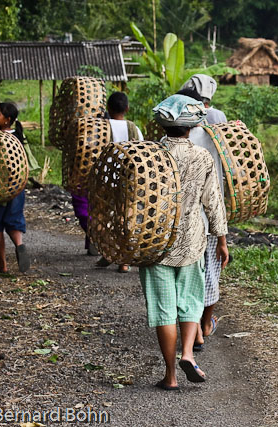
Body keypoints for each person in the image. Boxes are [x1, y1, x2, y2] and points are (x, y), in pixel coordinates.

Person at [141, 94, 229, 391]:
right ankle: (189, 354)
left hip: (154, 241)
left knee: (164, 309)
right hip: (192, 240)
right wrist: (222, 239)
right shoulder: (202, 157)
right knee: (191, 301)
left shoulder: (149, 155)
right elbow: (213, 202)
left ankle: (170, 376)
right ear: (191, 128)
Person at [179, 75, 228, 350]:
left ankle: (194, 327)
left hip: (184, 210)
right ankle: (204, 325)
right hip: (212, 208)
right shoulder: (217, 117)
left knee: (190, 268)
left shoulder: (179, 121)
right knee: (211, 268)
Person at [93, 91, 143, 274]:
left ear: (107, 108)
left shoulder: (99, 127)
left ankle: (110, 252)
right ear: (127, 108)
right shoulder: (134, 129)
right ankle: (124, 260)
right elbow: (142, 154)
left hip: (104, 179)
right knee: (127, 217)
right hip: (127, 179)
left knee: (102, 217)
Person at [0, 102, 31, 274]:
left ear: (7, 120)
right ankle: (19, 245)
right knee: (13, 220)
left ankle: (3, 265)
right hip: (17, 187)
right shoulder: (19, 137)